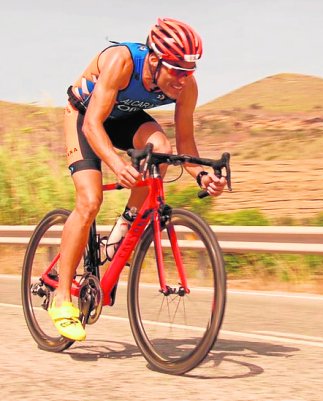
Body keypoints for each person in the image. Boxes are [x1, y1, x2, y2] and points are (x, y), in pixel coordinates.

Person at [49, 17, 227, 341]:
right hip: (85, 117)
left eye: (189, 72)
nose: (183, 80)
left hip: (123, 119)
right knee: (90, 201)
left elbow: (186, 144)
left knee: (161, 148)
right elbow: (92, 125)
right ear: (156, 60)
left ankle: (124, 228)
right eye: (176, 71)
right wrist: (117, 165)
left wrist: (202, 175)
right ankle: (61, 299)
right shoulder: (122, 61)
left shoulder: (187, 86)